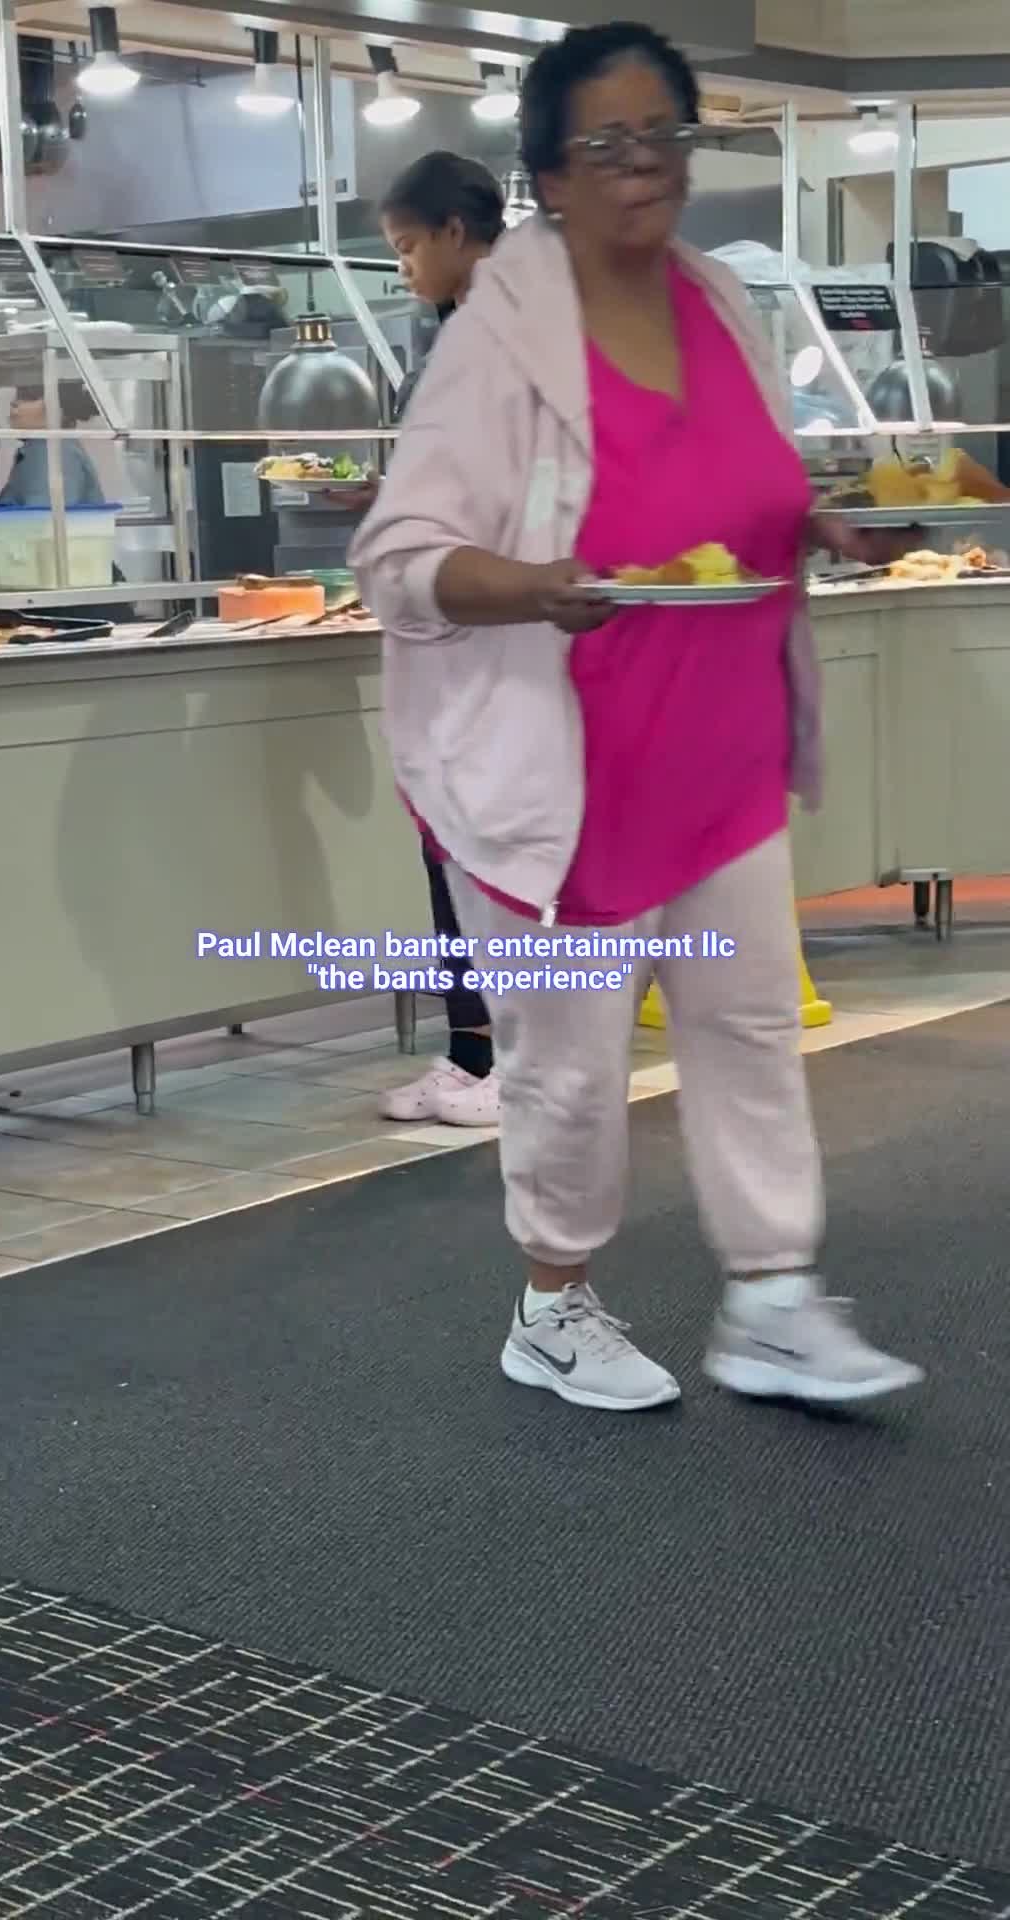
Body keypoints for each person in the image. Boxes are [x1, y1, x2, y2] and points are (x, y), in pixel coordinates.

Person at [351, 22, 924, 1413]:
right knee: (569, 1066)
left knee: (749, 1029)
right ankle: (551, 1305)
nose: (642, 164)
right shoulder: (499, 337)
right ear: (549, 175)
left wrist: (830, 527)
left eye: (663, 132)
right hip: (568, 773)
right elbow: (399, 557)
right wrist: (532, 585)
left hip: (720, 752)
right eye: (605, 143)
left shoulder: (720, 302)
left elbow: (750, 491)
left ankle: (772, 1296)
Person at [369, 154, 507, 1128]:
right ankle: (471, 1054)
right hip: (450, 627)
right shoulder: (460, 332)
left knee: (489, 853)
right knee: (448, 849)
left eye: (410, 245)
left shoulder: (512, 332)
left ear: (457, 232)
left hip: (497, 631)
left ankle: (515, 1060)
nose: (405, 266)